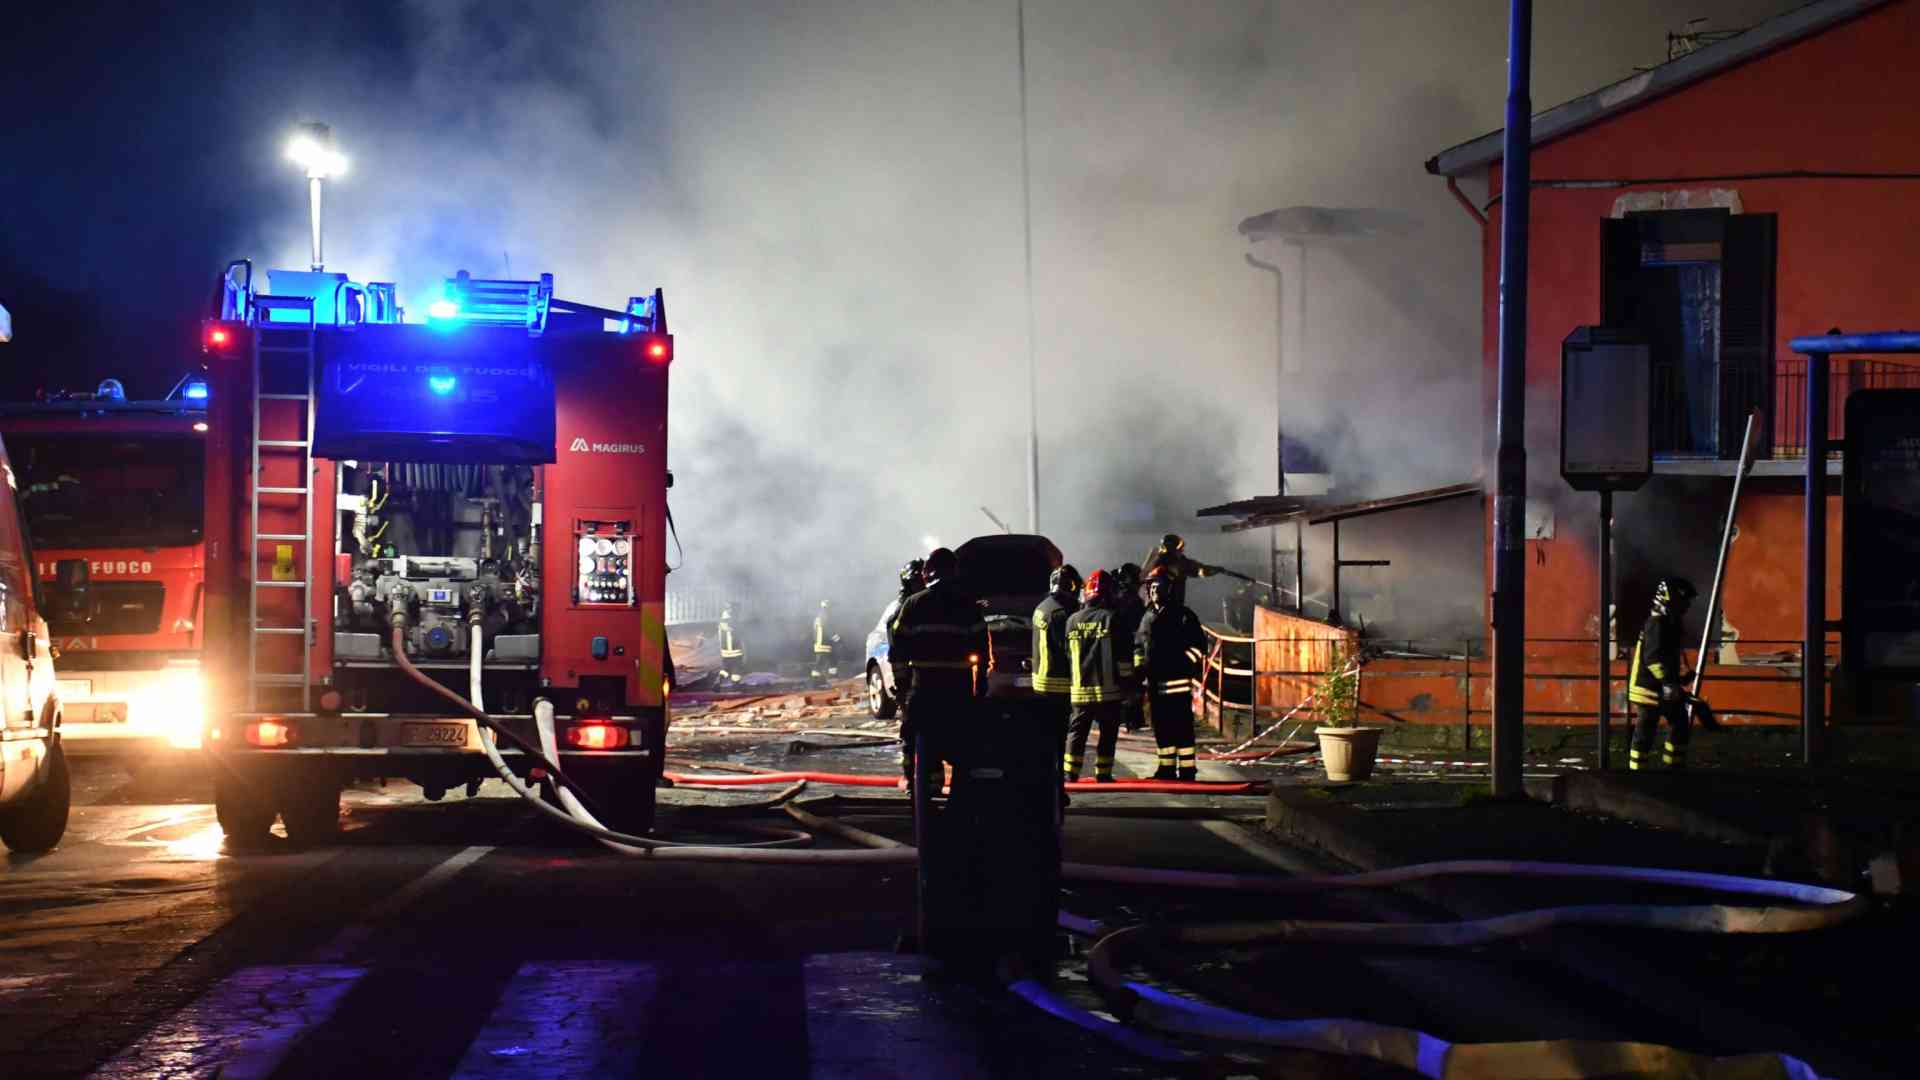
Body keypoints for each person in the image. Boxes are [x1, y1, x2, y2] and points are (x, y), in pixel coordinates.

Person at [890, 548, 988, 794]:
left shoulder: (914, 604)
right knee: (962, 744)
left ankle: (919, 788)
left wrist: (902, 686)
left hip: (923, 688)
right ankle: (962, 796)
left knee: (914, 738)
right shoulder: (967, 606)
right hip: (958, 689)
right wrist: (981, 684)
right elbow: (982, 649)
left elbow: (898, 650)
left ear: (928, 574)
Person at [1625, 577, 1718, 771]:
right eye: (1684, 601)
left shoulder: (1669, 624)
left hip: (1663, 688)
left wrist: (1680, 680)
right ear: (1671, 600)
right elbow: (1653, 659)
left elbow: (1667, 660)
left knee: (1680, 722)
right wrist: (1670, 683)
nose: (1687, 606)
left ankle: (1673, 768)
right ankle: (1637, 774)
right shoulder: (1656, 623)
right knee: (1646, 730)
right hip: (1647, 689)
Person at [1136, 570, 1206, 781]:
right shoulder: (1147, 616)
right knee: (1161, 727)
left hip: (1177, 683)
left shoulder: (1183, 615)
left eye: (1157, 586)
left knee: (1181, 727)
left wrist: (1182, 664)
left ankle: (1187, 770)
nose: (1153, 590)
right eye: (1151, 586)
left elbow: (1199, 646)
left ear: (1168, 589)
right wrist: (1139, 668)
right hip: (1155, 684)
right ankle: (1165, 769)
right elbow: (1139, 646)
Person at [1064, 569, 1131, 783]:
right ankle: (1103, 773)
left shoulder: (1072, 620)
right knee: (1108, 733)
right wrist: (1129, 685)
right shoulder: (1113, 619)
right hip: (1108, 692)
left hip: (1079, 691)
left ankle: (1070, 773)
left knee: (1077, 733)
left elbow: (1066, 654)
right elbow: (1123, 657)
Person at [1031, 563, 1083, 791]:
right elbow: (1070, 650)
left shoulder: (1042, 607)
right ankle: (1055, 790)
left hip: (1040, 685)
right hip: (1059, 686)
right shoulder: (1061, 614)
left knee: (1044, 739)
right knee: (1058, 741)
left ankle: (1046, 786)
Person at [883, 558, 929, 782]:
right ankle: (912, 778)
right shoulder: (903, 610)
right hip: (913, 682)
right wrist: (903, 687)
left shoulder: (933, 604)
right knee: (911, 732)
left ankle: (933, 781)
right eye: (917, 581)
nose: (921, 585)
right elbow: (897, 653)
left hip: (932, 680)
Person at [1141, 533, 1220, 608]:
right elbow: (1198, 570)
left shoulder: (1161, 560)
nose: (1182, 551)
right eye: (1180, 548)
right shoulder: (1166, 562)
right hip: (1163, 607)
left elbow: (1198, 569)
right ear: (1172, 548)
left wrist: (1215, 570)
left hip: (1162, 607)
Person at [1113, 563, 1147, 734]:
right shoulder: (1133, 601)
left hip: (1117, 651)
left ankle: (1124, 719)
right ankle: (1132, 720)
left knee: (1123, 686)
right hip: (1128, 651)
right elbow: (1139, 630)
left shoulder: (1114, 598)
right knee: (1132, 686)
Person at [811, 599, 841, 686]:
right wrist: (837, 639)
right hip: (824, 644)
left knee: (831, 661)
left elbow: (815, 630)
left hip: (820, 643)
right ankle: (817, 681)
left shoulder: (819, 616)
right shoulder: (825, 616)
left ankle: (831, 679)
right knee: (821, 663)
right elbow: (828, 629)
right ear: (827, 607)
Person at [716, 603, 745, 684]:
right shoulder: (734, 621)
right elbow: (739, 635)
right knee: (736, 671)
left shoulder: (721, 621)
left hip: (724, 652)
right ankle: (734, 682)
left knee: (726, 668)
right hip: (735, 652)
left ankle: (720, 678)